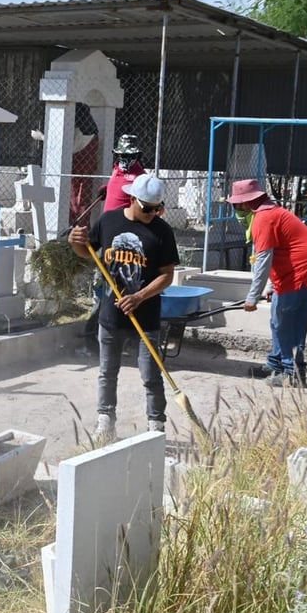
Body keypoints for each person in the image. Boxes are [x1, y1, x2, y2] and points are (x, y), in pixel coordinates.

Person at [68, 173, 180, 441]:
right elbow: (90, 252)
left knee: (151, 375)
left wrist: (140, 296)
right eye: (147, 208)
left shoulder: (162, 231)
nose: (153, 213)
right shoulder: (109, 221)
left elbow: (166, 275)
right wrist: (76, 244)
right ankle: (105, 422)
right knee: (107, 372)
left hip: (147, 317)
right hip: (111, 316)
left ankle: (156, 427)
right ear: (132, 199)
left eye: (157, 208)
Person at [227, 179, 307, 388]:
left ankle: (291, 372)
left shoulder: (264, 219)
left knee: (286, 323)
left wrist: (252, 297)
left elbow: (264, 260)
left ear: (246, 203)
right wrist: (271, 287)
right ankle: (276, 363)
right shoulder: (271, 214)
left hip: (301, 273)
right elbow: (278, 254)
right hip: (304, 270)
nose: (236, 210)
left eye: (236, 206)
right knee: (280, 319)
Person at [81, 134, 149, 356]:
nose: (123, 159)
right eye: (120, 155)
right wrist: (107, 188)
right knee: (100, 289)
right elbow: (115, 188)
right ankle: (96, 339)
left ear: (137, 156)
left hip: (122, 244)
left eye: (128, 156)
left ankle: (113, 340)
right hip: (104, 237)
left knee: (115, 290)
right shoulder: (116, 170)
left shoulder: (141, 181)